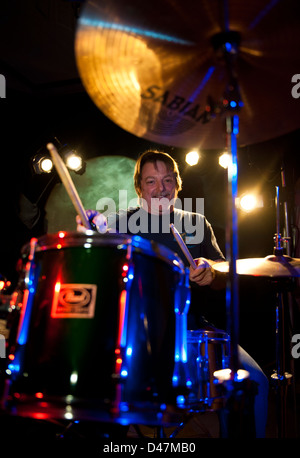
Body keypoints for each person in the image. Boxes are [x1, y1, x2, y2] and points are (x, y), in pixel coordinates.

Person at [76, 150, 269, 438]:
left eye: (167, 180)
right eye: (151, 181)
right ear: (139, 187)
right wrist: (90, 232)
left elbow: (223, 276)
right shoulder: (118, 223)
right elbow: (96, 243)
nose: (161, 188)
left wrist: (212, 273)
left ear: (177, 184)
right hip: (135, 335)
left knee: (255, 382)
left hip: (192, 329)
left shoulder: (197, 223)